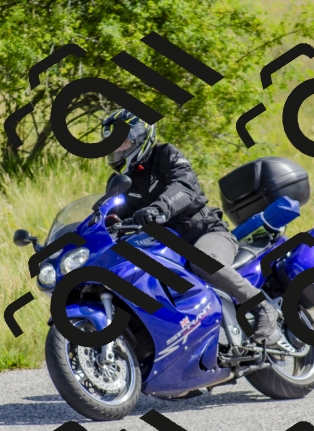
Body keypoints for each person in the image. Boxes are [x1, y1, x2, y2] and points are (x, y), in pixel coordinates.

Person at [101, 109, 281, 344]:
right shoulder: (119, 182)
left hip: (204, 232)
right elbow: (110, 214)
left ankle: (261, 306)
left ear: (140, 138)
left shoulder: (166, 155)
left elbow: (184, 187)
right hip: (163, 247)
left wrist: (158, 208)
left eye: (123, 142)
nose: (117, 149)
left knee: (202, 261)